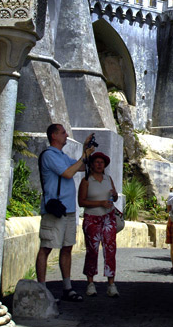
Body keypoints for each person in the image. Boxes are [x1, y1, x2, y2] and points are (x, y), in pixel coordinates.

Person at [36, 124, 95, 301]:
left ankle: (67, 287)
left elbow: (80, 167)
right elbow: (68, 173)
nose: (66, 135)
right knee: (46, 247)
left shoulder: (61, 155)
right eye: (63, 132)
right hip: (54, 209)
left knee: (67, 247)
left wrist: (85, 150)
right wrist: (84, 156)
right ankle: (41, 289)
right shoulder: (49, 155)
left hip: (68, 209)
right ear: (54, 136)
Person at [78, 152, 119, 298]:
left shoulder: (109, 179)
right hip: (92, 218)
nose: (100, 164)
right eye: (97, 162)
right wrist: (99, 203)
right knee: (92, 250)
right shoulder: (86, 181)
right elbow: (81, 202)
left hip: (108, 218)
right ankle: (90, 282)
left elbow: (115, 196)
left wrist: (114, 195)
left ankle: (111, 284)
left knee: (110, 250)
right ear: (92, 164)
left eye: (102, 162)